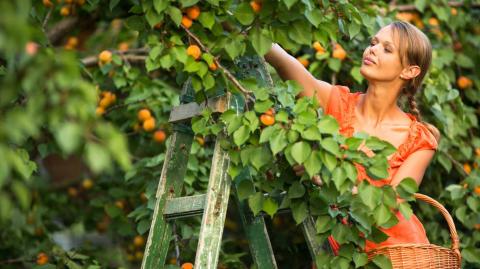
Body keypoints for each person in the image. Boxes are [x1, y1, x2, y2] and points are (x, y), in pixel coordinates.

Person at [264, 21, 440, 254]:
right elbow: (280, 59)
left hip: (401, 256)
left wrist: (325, 175)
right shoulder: (337, 103)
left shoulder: (419, 139)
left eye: (387, 49)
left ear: (410, 71)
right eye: (373, 43)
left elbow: (389, 206)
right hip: (342, 255)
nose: (373, 49)